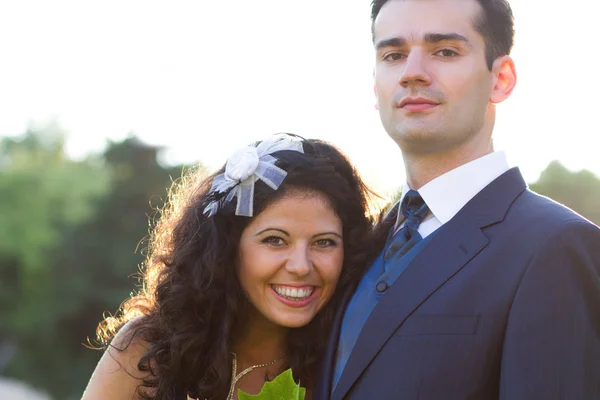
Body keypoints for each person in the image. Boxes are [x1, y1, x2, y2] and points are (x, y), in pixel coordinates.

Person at [314, 0, 600, 399]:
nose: (412, 72)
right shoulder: (354, 242)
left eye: (445, 51)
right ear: (376, 85)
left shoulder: (557, 246)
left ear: (500, 78)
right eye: (394, 54)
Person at [81, 133, 377, 400]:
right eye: (275, 240)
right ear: (227, 247)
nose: (301, 266)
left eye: (324, 242)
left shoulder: (346, 365)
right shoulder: (147, 349)